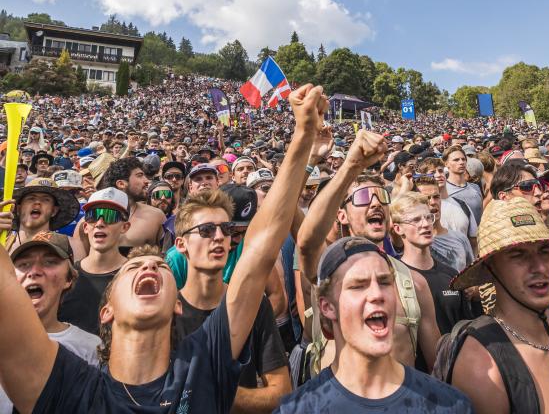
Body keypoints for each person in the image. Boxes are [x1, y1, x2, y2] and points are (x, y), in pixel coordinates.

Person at [0, 82, 328, 413]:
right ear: (106, 310)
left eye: (159, 267)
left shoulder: (202, 369)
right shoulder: (68, 387)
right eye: (133, 268)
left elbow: (260, 246)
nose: (147, 267)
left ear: (177, 306)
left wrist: (302, 136)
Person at [446, 196, 549, 414]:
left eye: (545, 251)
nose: (539, 267)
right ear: (490, 269)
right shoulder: (481, 361)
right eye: (518, 255)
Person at [275, 236, 473, 413]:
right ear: (327, 307)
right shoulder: (297, 409)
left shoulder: (449, 405)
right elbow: (308, 241)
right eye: (358, 286)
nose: (377, 294)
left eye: (385, 282)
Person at [297, 130, 441, 372]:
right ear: (341, 215)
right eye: (363, 197)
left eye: (381, 197)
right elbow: (306, 240)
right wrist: (339, 165)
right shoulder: (326, 272)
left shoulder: (413, 284)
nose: (375, 203)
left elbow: (437, 365)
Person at [173, 189, 291, 413]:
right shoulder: (166, 312)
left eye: (226, 229)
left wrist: (216, 390)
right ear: (181, 244)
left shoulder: (255, 305)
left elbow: (281, 392)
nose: (219, 236)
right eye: (206, 230)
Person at [1, 231, 100, 413]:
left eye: (50, 262)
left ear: (69, 279)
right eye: (24, 264)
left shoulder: (92, 348)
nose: (34, 272)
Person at [391, 192, 472, 339]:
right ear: (398, 229)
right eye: (416, 220)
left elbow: (467, 329)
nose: (425, 224)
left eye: (428, 217)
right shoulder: (395, 276)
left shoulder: (451, 275)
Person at [59, 188, 130, 335]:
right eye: (93, 216)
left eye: (110, 216)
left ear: (125, 227)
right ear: (85, 226)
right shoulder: (66, 277)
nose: (100, 223)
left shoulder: (134, 276)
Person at [75, 156, 164, 250]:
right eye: (139, 175)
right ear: (121, 184)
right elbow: (78, 261)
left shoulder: (156, 216)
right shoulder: (89, 221)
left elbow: (167, 258)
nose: (146, 181)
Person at [4, 178, 79, 256]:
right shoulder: (3, 243)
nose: (37, 202)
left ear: (54, 211)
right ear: (18, 209)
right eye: (31, 198)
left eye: (45, 199)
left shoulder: (71, 245)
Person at [414, 176, 474, 273]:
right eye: (426, 198)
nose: (433, 202)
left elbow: (471, 275)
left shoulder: (460, 238)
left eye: (436, 197)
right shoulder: (414, 242)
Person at [443, 146, 483, 225]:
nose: (461, 162)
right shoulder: (443, 191)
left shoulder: (476, 187)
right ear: (446, 164)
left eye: (463, 159)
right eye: (456, 160)